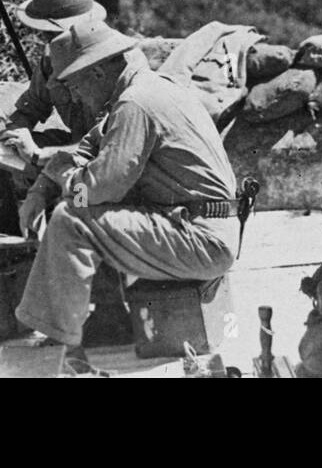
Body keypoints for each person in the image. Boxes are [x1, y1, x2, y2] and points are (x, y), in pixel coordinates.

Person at [14, 20, 240, 365]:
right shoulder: (148, 88)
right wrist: (45, 184)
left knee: (72, 217)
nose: (74, 96)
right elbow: (90, 144)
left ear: (99, 73)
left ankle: (63, 349)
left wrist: (65, 182)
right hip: (200, 227)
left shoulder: (135, 103)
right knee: (77, 206)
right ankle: (90, 327)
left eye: (75, 85)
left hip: (201, 239)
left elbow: (100, 188)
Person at [0, 0, 107, 236]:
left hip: (94, 165)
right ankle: (12, 239)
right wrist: (18, 131)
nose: (45, 40)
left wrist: (38, 154)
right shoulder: (51, 57)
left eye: (51, 33)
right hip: (62, 154)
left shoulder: (107, 65)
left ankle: (77, 246)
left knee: (76, 214)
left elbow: (104, 147)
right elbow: (30, 108)